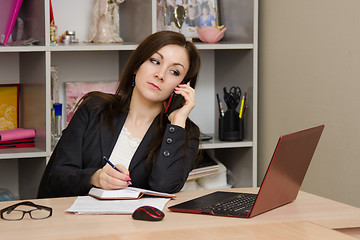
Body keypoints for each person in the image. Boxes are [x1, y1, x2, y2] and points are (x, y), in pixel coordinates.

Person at [38, 31, 201, 198]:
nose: (160, 75)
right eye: (155, 61)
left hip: (141, 223)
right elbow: (55, 178)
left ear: (182, 85)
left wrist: (177, 123)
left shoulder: (184, 132)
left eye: (174, 72)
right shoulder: (94, 109)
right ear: (137, 65)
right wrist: (95, 178)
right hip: (81, 221)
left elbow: (164, 187)